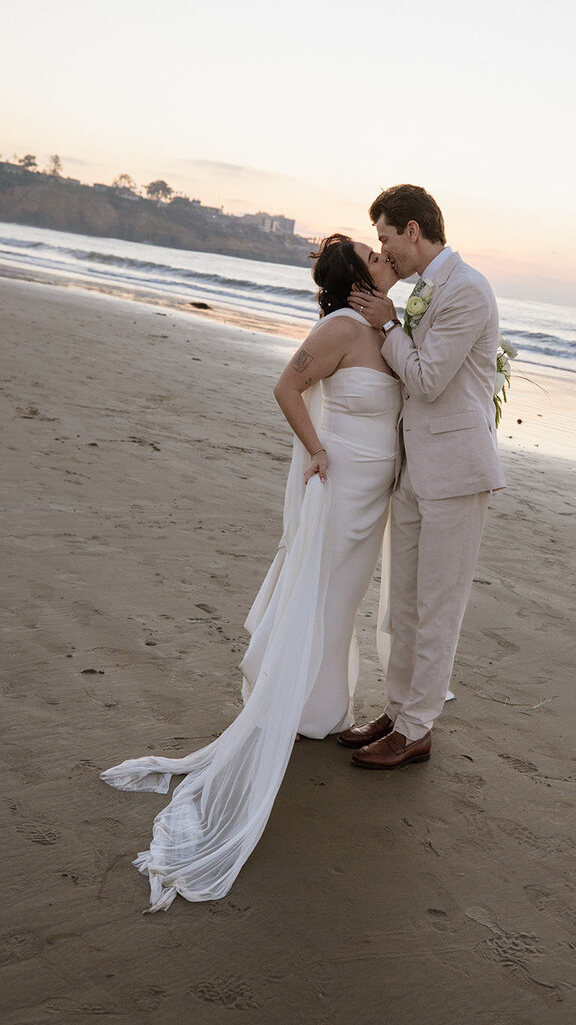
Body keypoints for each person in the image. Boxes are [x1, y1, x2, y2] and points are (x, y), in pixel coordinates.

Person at [100, 235, 401, 910]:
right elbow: (286, 385)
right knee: (319, 597)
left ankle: (317, 707)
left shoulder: (382, 327)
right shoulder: (342, 327)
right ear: (357, 277)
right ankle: (286, 697)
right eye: (371, 253)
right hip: (344, 485)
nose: (383, 257)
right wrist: (318, 451)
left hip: (371, 499)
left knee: (341, 601)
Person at [345, 184, 505, 769]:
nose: (384, 250)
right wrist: (394, 308)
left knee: (438, 605)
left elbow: (429, 378)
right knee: (404, 605)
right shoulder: (426, 289)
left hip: (456, 474)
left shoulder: (467, 290)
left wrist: (388, 325)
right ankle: (397, 710)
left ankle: (417, 730)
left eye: (387, 238)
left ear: (413, 231)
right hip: (417, 468)